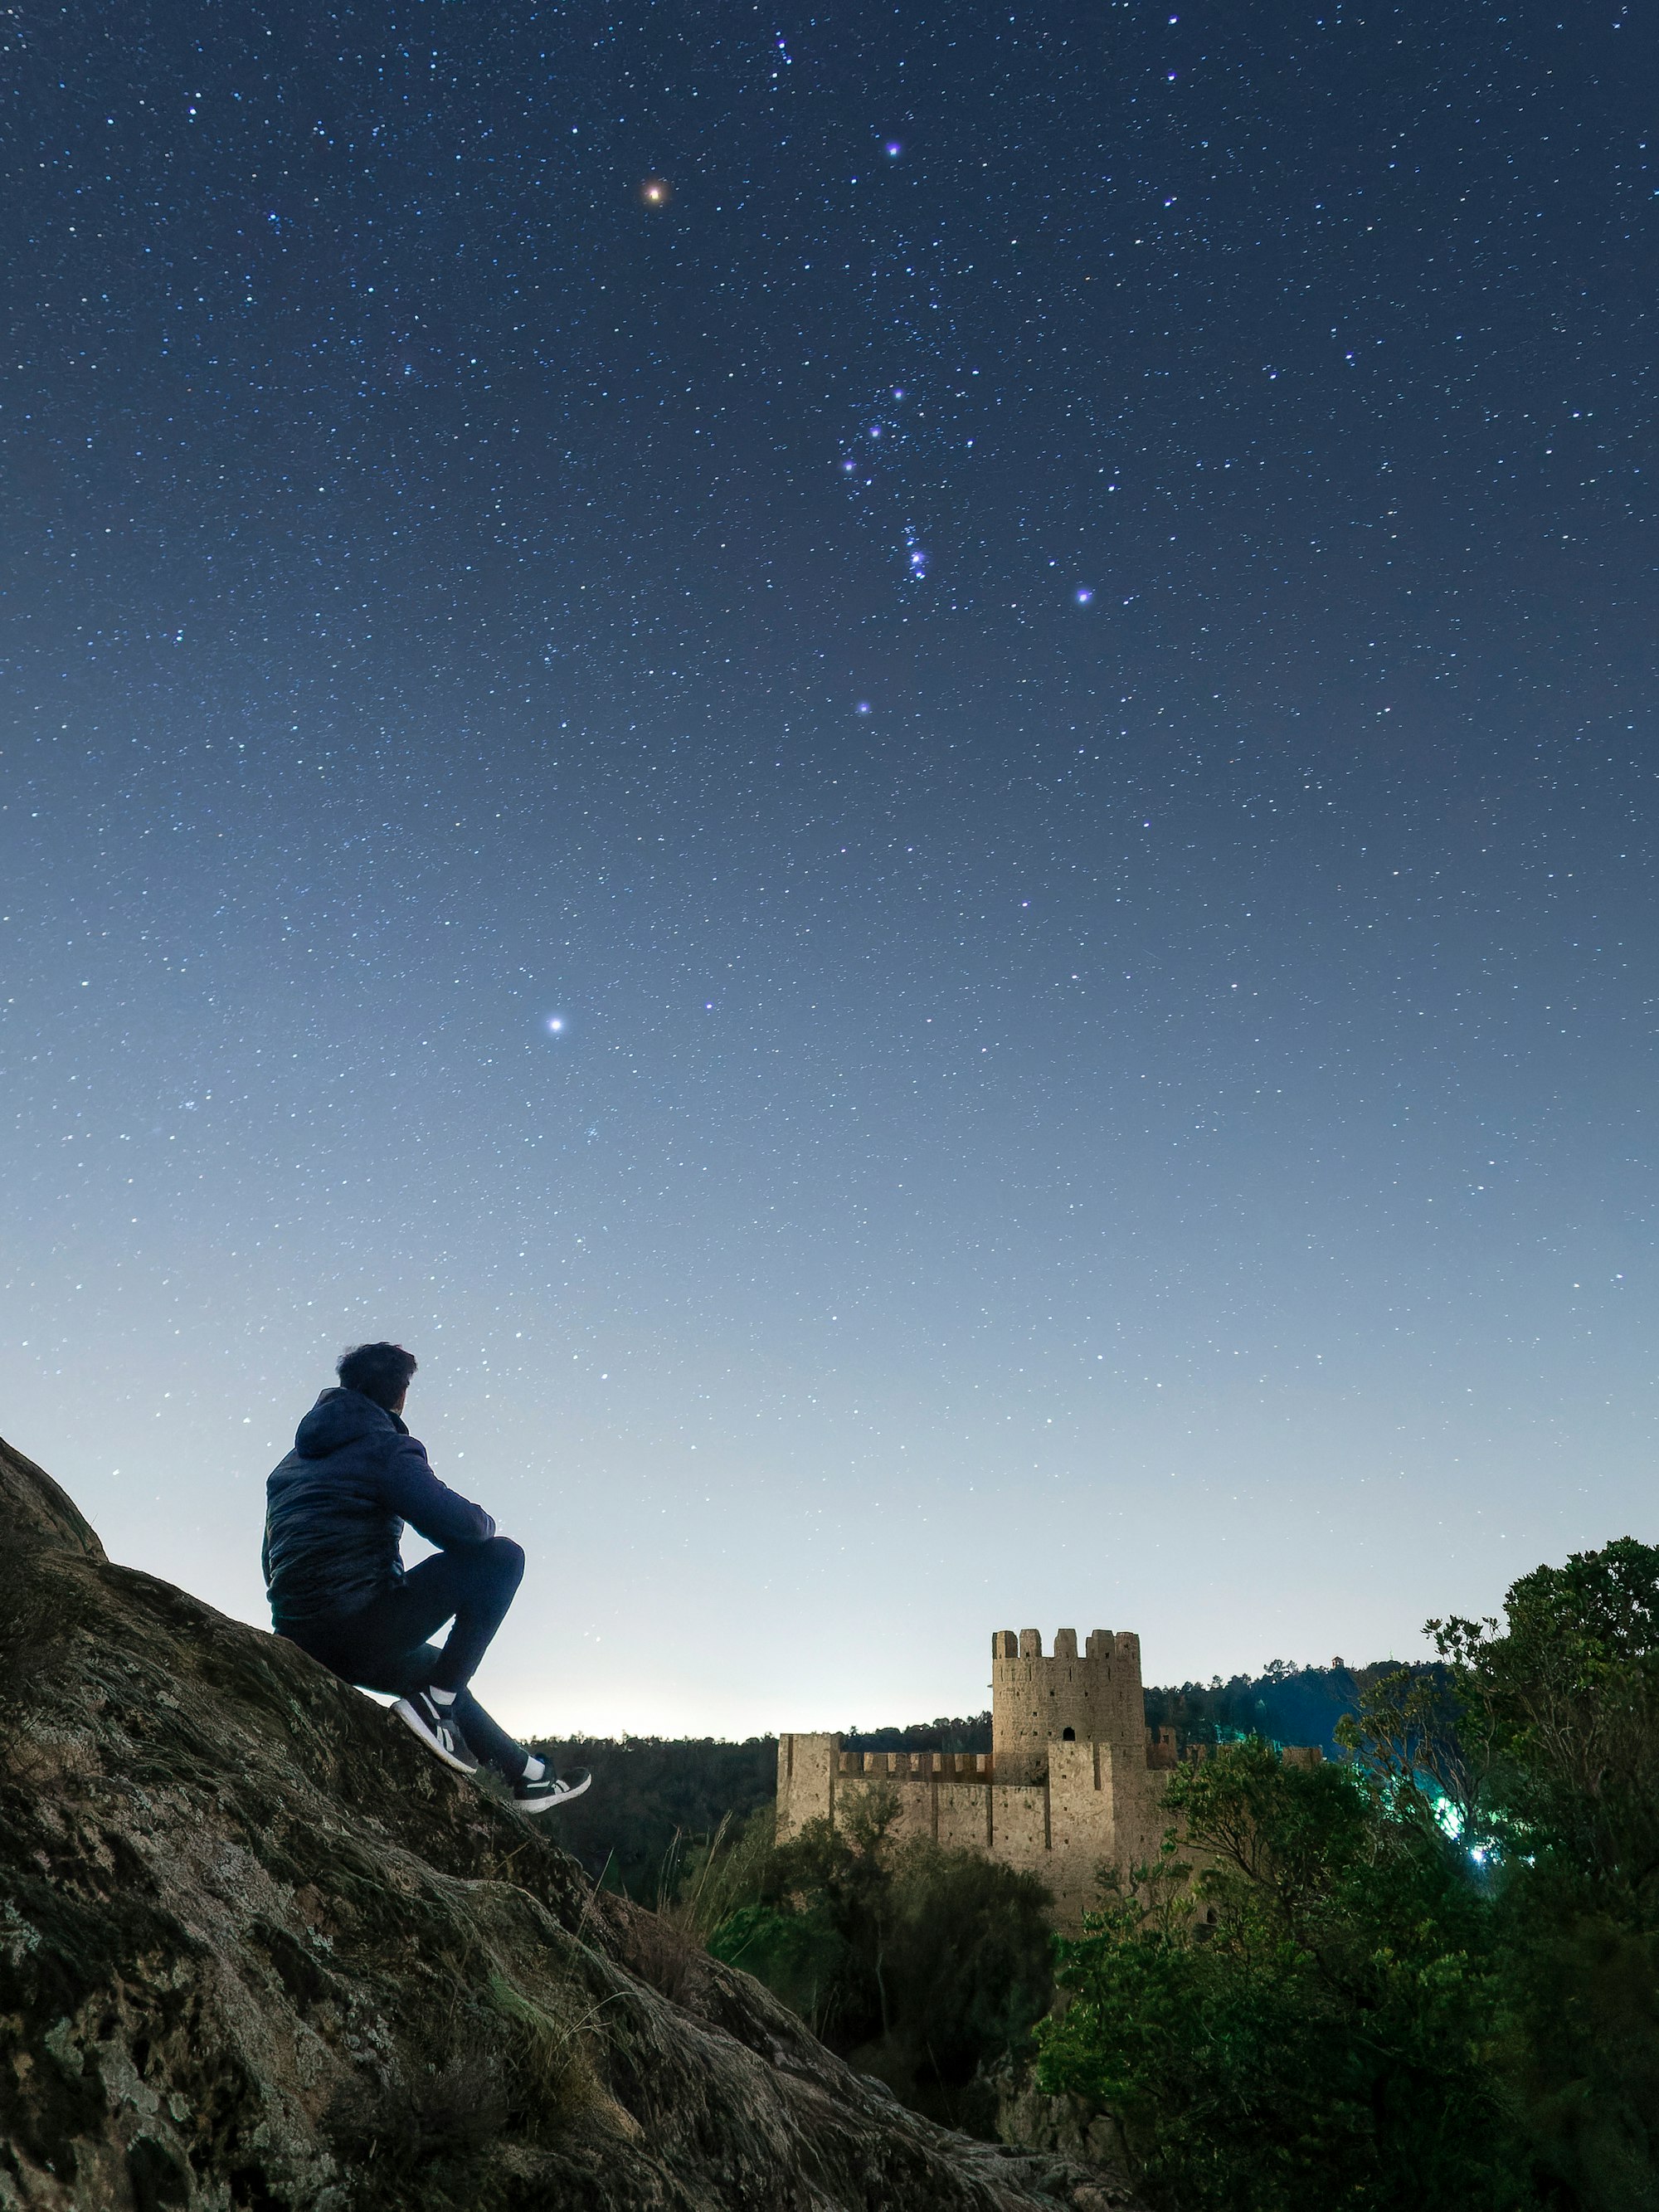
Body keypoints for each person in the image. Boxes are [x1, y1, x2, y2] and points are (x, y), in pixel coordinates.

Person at [262, 1341, 589, 1813]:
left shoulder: (287, 1467)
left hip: (301, 1635)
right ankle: (436, 1707)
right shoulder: (385, 1447)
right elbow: (463, 1530)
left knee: (442, 1668)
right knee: (501, 1558)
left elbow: (271, 1557)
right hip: (357, 1630)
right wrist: (486, 1521)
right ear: (401, 1393)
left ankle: (529, 1777)